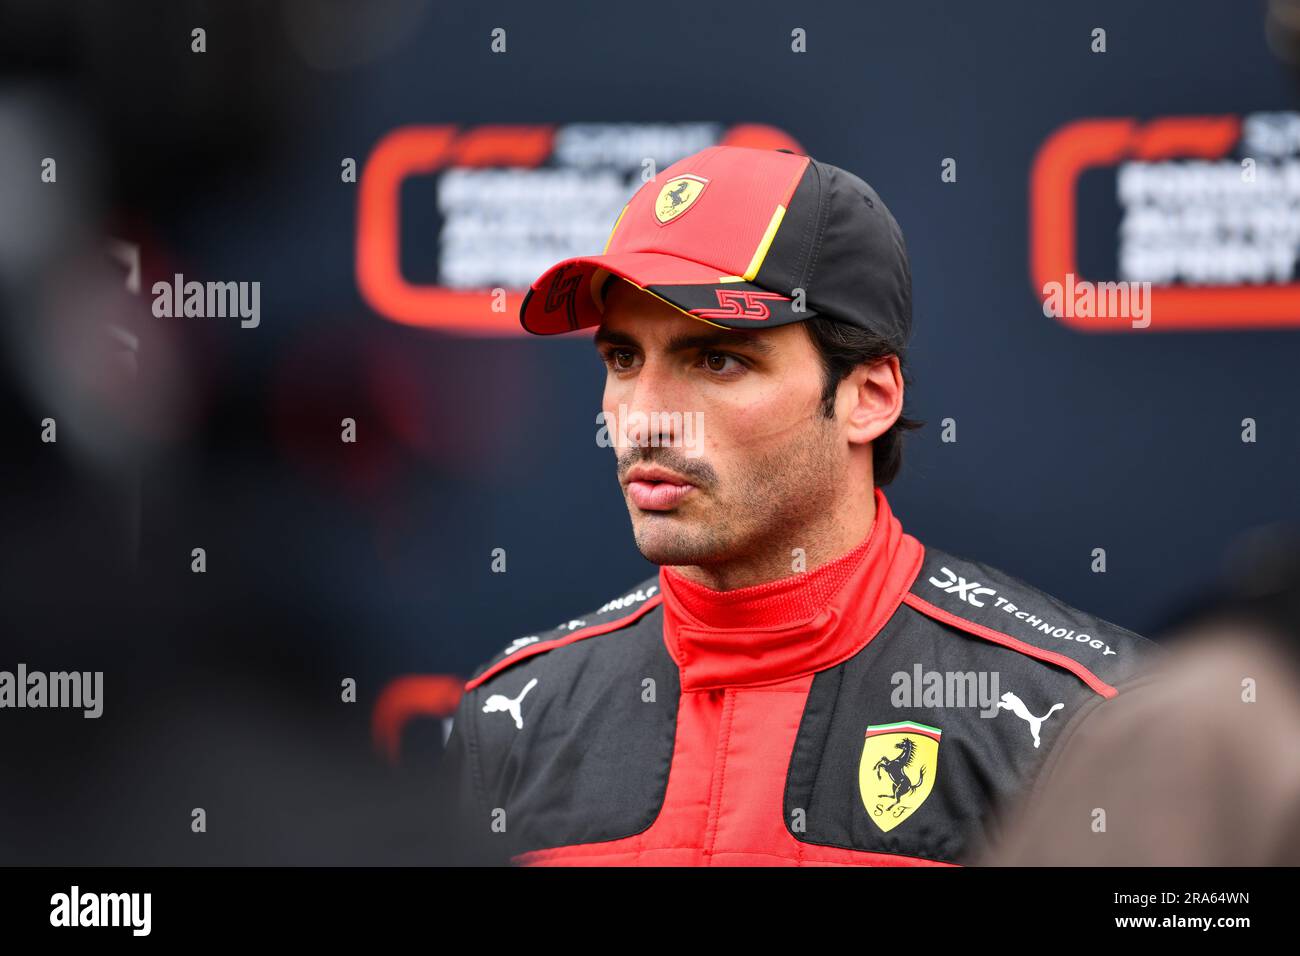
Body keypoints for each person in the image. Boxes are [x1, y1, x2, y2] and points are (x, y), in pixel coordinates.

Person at [433, 145, 1163, 866]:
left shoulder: (1085, 720)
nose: (644, 418)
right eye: (624, 359)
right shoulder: (511, 719)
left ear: (867, 398)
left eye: (717, 358)